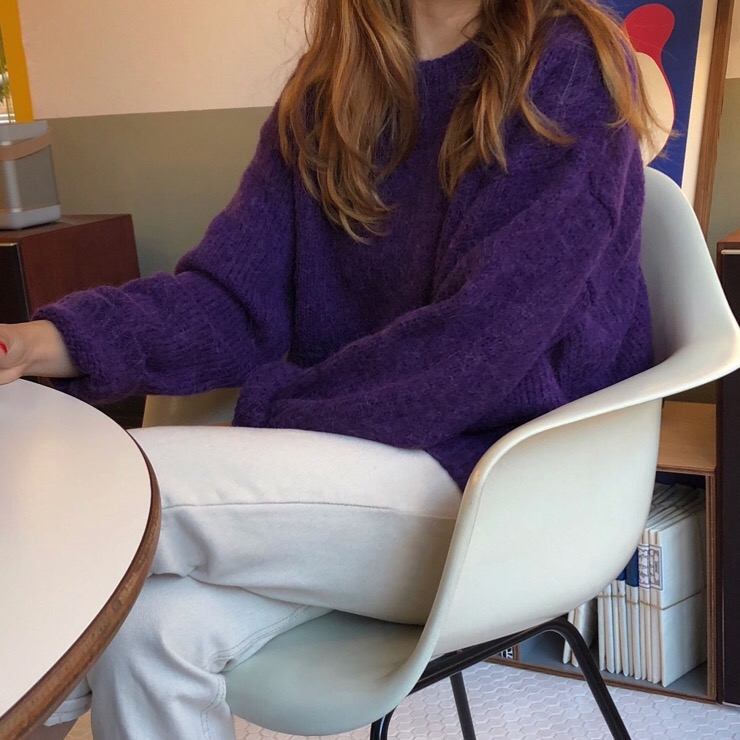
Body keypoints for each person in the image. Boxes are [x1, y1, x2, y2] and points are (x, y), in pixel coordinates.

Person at [3, 0, 656, 737]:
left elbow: (477, 348)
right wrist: (43, 341)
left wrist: (276, 411)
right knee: (147, 633)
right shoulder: (329, 92)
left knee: (103, 491)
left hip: (507, 485)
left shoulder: (565, 64)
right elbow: (229, 299)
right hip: (358, 475)